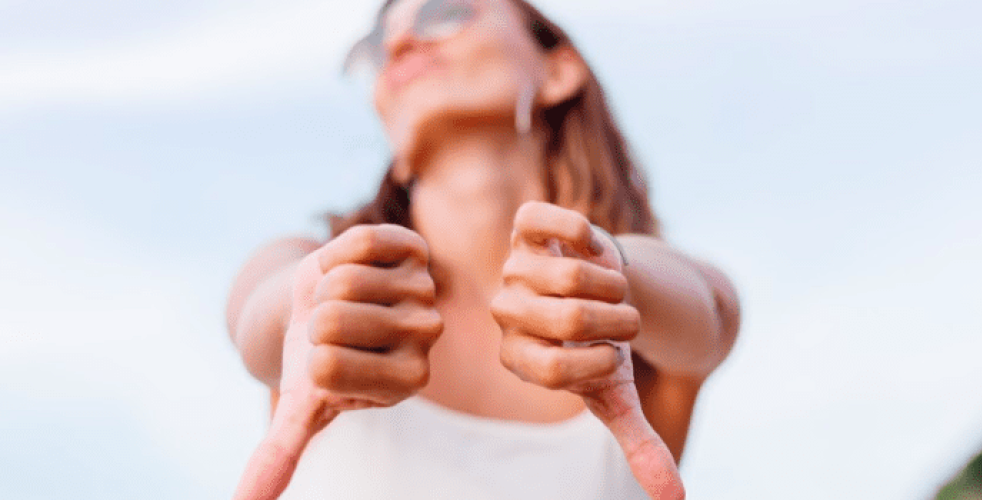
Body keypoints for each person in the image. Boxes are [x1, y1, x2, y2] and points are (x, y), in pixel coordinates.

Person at [225, 0, 741, 498]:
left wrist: (612, 277)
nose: (400, 42)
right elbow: (257, 314)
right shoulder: (310, 265)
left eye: (445, 12)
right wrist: (304, 306)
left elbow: (711, 312)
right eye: (376, 46)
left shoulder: (644, 323)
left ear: (557, 71)